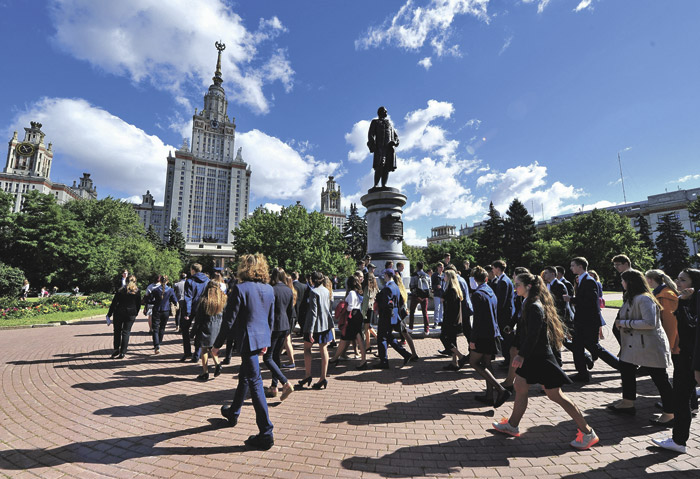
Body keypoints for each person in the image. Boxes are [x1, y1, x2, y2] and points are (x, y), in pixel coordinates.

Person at [492, 272, 598, 450]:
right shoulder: (527, 302)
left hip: (540, 358)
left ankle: (588, 432)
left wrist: (521, 354)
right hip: (534, 357)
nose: (515, 287)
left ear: (528, 286)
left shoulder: (534, 305)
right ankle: (512, 425)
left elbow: (534, 335)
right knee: (520, 386)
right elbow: (526, 331)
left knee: (555, 395)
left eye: (517, 284)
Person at [214, 253, 275, 451]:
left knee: (255, 382)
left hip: (248, 339)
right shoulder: (268, 289)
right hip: (260, 338)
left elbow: (228, 320)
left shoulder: (240, 288)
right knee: (246, 376)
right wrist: (266, 342)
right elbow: (270, 319)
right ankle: (233, 412)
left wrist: (217, 344)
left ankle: (266, 432)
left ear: (244, 268)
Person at [608, 270, 673, 424]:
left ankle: (671, 413)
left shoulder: (644, 299)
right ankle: (627, 402)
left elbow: (650, 323)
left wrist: (624, 324)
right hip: (635, 345)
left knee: (660, 379)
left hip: (649, 346)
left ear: (630, 282)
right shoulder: (633, 297)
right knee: (626, 368)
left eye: (623, 280)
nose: (621, 283)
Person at [652, 268, 700, 453]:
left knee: (681, 398)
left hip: (691, 357)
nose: (678, 283)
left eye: (683, 280)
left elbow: (691, 328)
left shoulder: (693, 302)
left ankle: (679, 440)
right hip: (685, 356)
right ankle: (678, 440)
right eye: (677, 279)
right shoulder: (685, 301)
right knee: (681, 398)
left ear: (694, 284)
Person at [564, 257, 619, 383]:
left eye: (573, 265)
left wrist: (571, 299)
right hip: (581, 321)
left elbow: (590, 302)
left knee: (595, 348)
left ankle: (621, 366)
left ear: (580, 266)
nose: (571, 268)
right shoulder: (582, 280)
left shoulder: (589, 281)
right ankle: (582, 374)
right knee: (577, 348)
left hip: (588, 322)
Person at [470, 266, 509, 407]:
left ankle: (500, 389)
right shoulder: (490, 290)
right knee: (487, 364)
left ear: (475, 280)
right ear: (486, 278)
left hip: (483, 334)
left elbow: (478, 320)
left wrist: (473, 340)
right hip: (493, 332)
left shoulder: (477, 294)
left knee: (473, 362)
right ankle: (489, 395)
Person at [260, 268, 295, 400]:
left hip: (273, 326)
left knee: (267, 357)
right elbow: (291, 311)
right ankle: (274, 386)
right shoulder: (288, 289)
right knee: (276, 356)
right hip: (284, 325)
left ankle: (284, 382)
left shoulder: (271, 289)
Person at [296, 272, 334, 390]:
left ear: (312, 280)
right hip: (325, 324)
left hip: (314, 325)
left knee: (307, 348)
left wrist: (310, 330)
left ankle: (308, 375)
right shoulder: (326, 291)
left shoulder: (313, 292)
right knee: (323, 349)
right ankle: (323, 377)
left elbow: (313, 313)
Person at [375, 269, 413, 369]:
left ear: (387, 275)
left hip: (386, 316)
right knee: (388, 337)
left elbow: (386, 304)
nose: (383, 277)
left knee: (382, 338)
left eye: (384, 275)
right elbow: (399, 301)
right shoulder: (395, 286)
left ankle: (384, 361)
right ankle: (405, 354)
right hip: (393, 316)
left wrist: (379, 301)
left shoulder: (388, 288)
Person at [330, 275, 368, 369]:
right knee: (356, 337)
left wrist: (344, 307)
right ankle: (363, 360)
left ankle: (335, 358)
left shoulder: (351, 293)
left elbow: (350, 306)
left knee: (345, 336)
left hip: (352, 315)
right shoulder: (358, 292)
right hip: (357, 314)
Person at [194, 280, 226, 381]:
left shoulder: (204, 300)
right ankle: (217, 364)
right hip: (218, 327)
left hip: (206, 327)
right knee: (213, 348)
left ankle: (205, 372)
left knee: (204, 349)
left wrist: (193, 331)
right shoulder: (223, 300)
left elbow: (198, 317)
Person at [645, 269, 680, 362]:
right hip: (663, 338)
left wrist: (669, 344)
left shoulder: (666, 295)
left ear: (650, 280)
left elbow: (670, 322)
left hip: (670, 341)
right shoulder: (659, 293)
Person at [439, 270, 469, 371]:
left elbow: (451, 308)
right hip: (453, 319)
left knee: (444, 337)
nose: (444, 277)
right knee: (452, 340)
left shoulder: (452, 290)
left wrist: (443, 300)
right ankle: (454, 362)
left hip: (450, 320)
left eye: (445, 275)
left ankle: (461, 357)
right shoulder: (454, 289)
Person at [106, 275, 141, 359]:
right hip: (131, 313)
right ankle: (123, 352)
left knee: (117, 331)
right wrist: (136, 313)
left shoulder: (121, 290)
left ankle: (116, 349)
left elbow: (114, 303)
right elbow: (138, 304)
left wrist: (109, 314)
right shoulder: (137, 291)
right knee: (126, 332)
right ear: (135, 281)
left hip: (119, 312)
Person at [182, 263, 210, 362]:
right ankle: (197, 354)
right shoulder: (207, 280)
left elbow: (188, 298)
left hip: (193, 307)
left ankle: (187, 352)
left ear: (193, 270)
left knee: (185, 328)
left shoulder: (189, 281)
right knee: (200, 330)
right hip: (203, 307)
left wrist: (187, 313)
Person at [367, 106, 399, 188]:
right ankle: (376, 184)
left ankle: (384, 184)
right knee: (380, 164)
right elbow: (370, 134)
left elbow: (396, 137)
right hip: (379, 147)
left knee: (387, 166)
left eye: (386, 111)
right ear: (380, 112)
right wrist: (373, 145)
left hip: (389, 148)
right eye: (385, 111)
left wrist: (395, 142)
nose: (386, 113)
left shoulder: (390, 124)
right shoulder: (375, 122)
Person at [492, 260, 515, 367]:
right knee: (505, 338)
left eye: (493, 268)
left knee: (506, 339)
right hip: (505, 314)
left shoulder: (504, 281)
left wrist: (496, 313)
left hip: (504, 315)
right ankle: (507, 359)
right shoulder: (503, 280)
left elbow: (502, 301)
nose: (492, 270)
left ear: (498, 268)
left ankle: (508, 360)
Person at [149, 275, 178, 355]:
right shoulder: (170, 290)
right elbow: (175, 300)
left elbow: (149, 300)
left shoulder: (155, 290)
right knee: (162, 327)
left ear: (160, 281)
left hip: (157, 310)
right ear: (167, 281)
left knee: (155, 328)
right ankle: (160, 342)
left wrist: (155, 302)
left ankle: (156, 345)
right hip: (166, 310)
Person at [409, 262, 431, 333]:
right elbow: (429, 286)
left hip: (416, 296)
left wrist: (415, 294)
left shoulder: (414, 275)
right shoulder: (427, 275)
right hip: (424, 296)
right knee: (425, 312)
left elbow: (411, 285)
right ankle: (426, 329)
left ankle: (411, 327)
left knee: (412, 311)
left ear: (417, 267)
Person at [361, 271, 379, 353]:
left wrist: (363, 313)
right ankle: (369, 344)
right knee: (368, 326)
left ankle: (368, 345)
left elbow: (365, 301)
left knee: (366, 327)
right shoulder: (375, 288)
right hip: (371, 309)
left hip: (366, 309)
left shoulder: (366, 288)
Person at [432, 262, 445, 328]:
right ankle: (436, 321)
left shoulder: (444, 275)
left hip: (442, 294)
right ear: (437, 267)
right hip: (437, 294)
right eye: (440, 267)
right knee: (437, 308)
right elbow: (432, 285)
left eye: (442, 267)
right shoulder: (434, 275)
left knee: (441, 309)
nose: (441, 268)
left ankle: (441, 321)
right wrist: (436, 287)